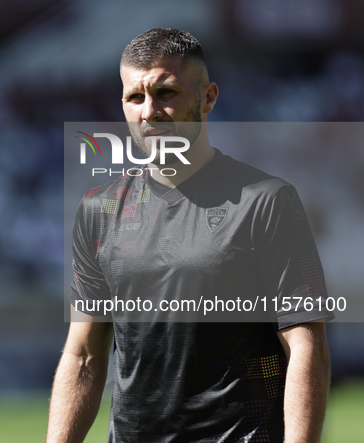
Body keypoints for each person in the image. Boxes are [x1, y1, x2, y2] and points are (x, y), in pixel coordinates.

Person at [47, 28, 332, 442]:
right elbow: (85, 355)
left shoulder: (267, 202)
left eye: (166, 93)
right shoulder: (99, 210)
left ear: (209, 98)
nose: (149, 112)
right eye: (135, 98)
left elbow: (307, 346)